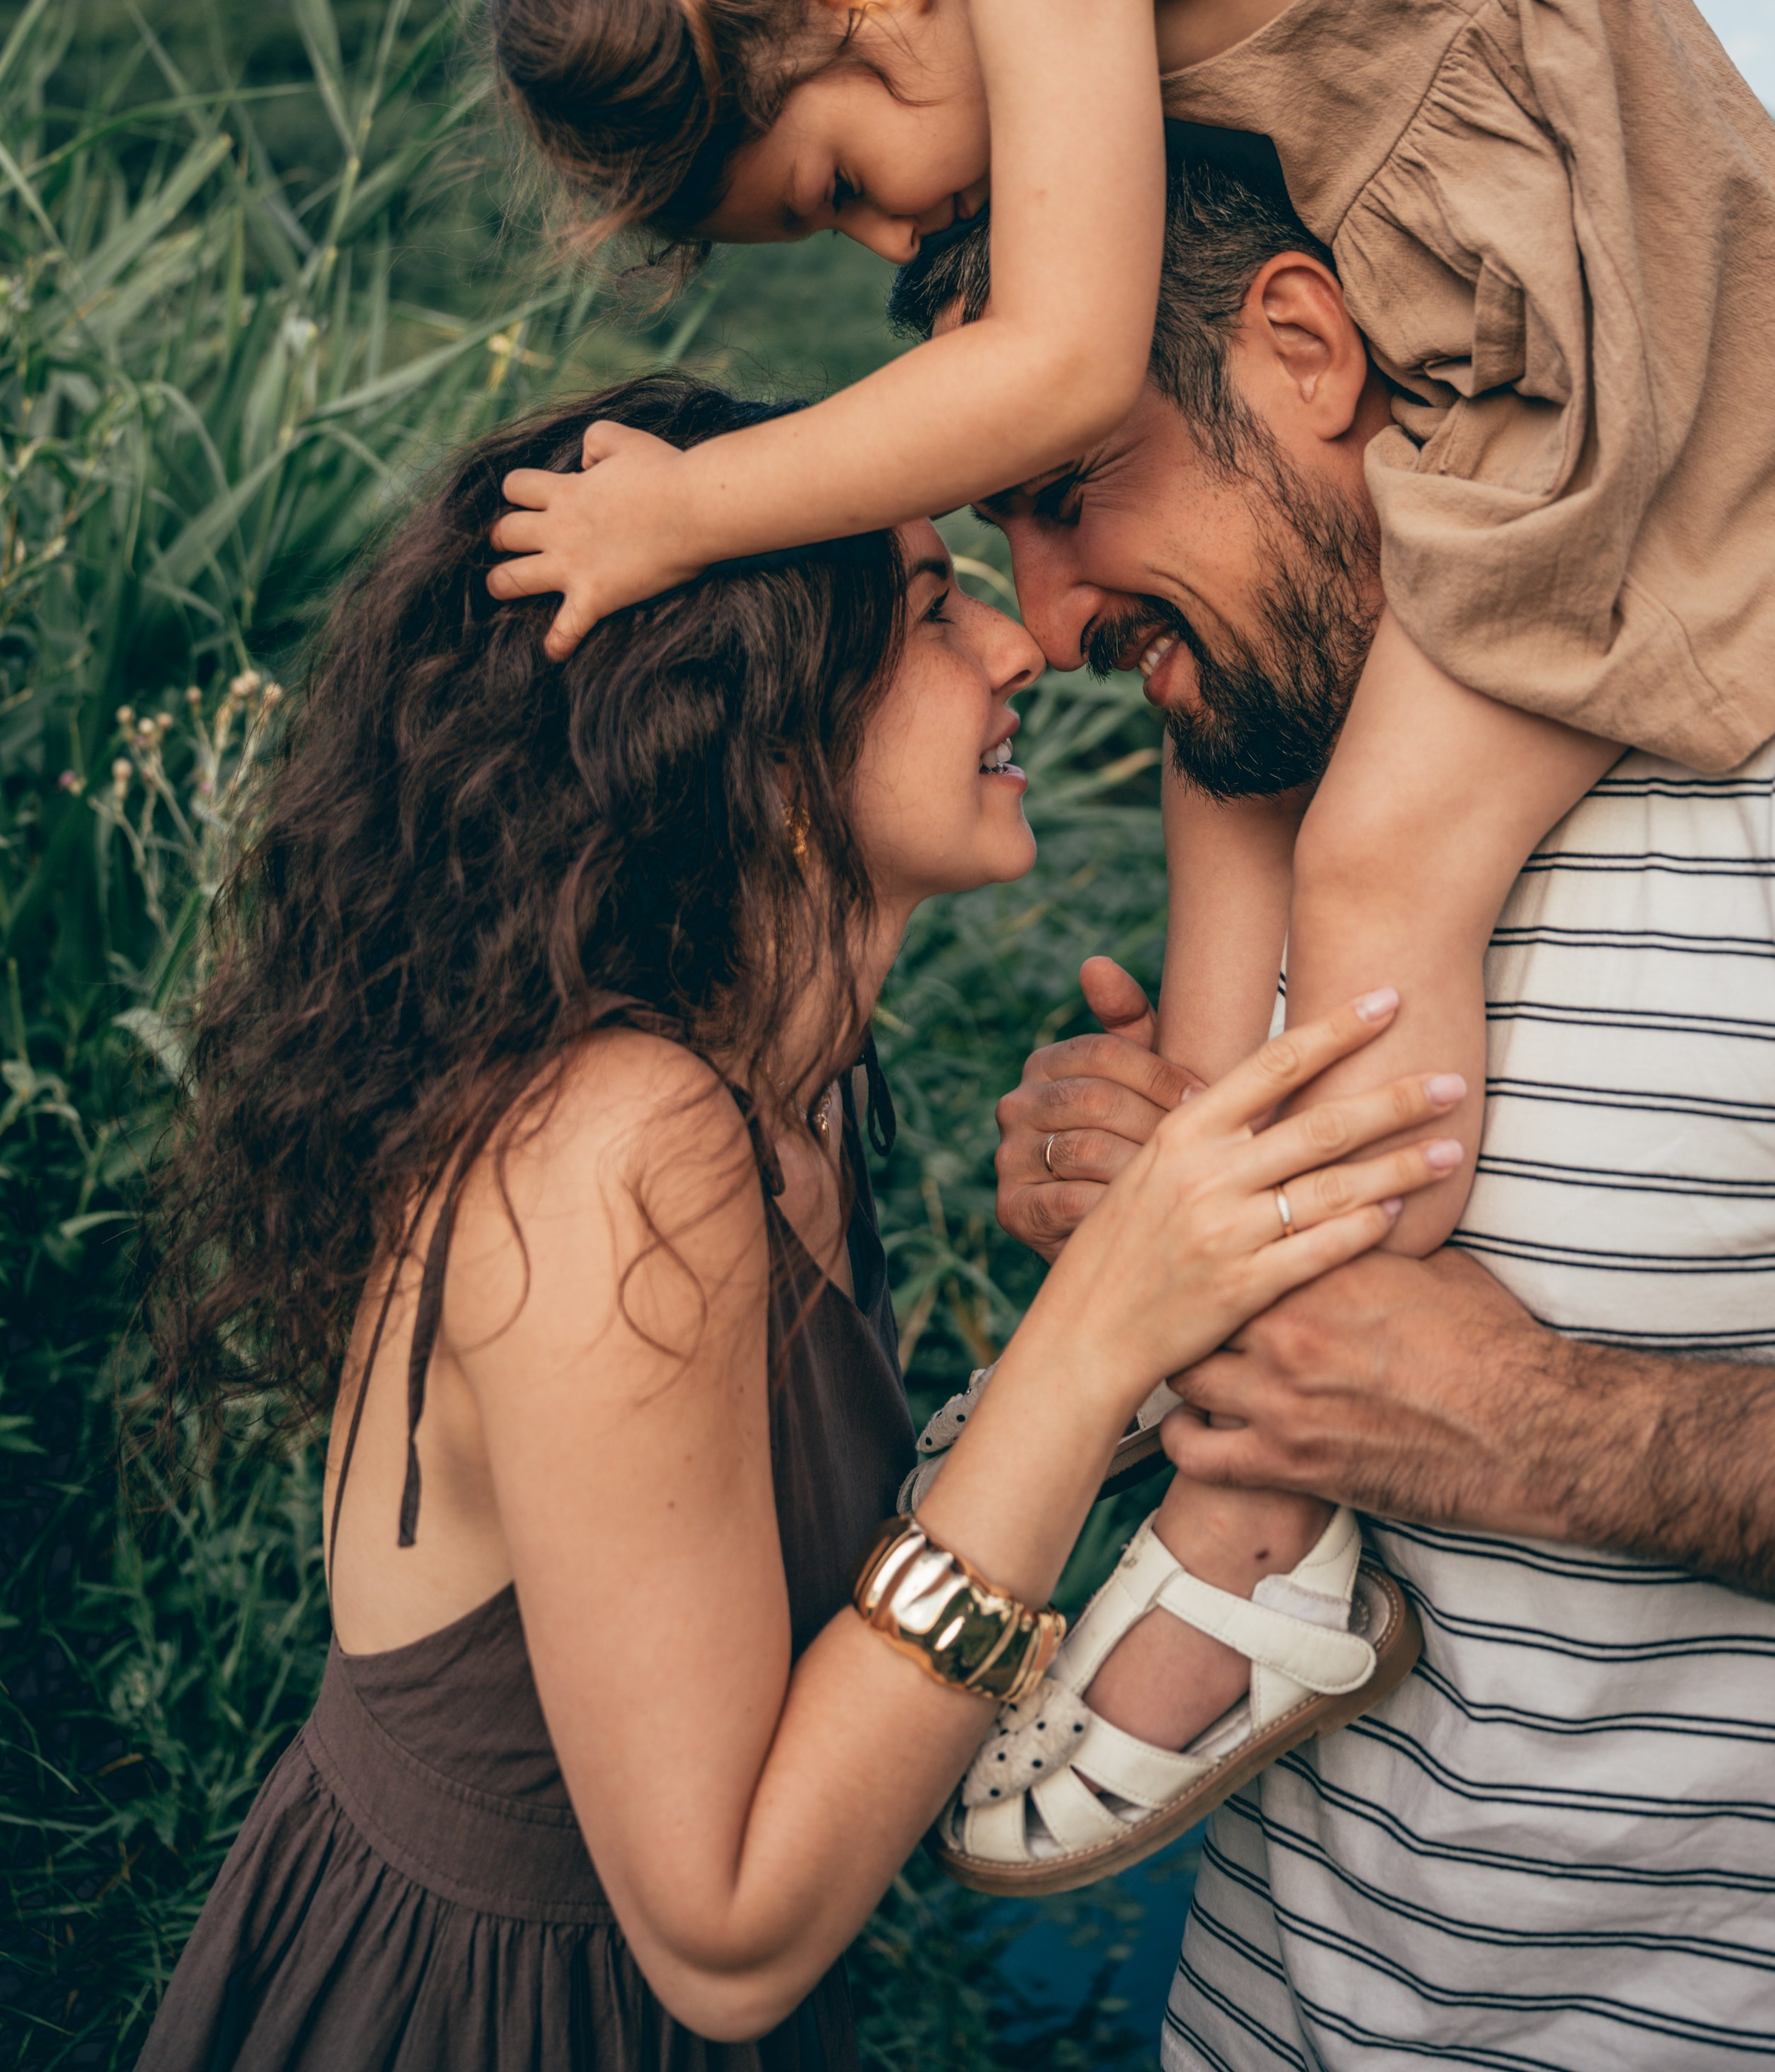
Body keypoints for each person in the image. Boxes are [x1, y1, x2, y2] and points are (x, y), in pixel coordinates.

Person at [479, 0, 1775, 1815]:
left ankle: (1261, 1530)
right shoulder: (1126, 10)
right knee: (1243, 826)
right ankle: (1223, 1303)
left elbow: (1068, 355)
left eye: (839, 185)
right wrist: (1159, 1193)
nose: (911, 220)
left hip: (1634, 380)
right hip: (1539, 368)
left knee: (1371, 877)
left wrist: (693, 509)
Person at [135, 368, 1452, 2072]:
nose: (1018, 650)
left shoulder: (789, 1088)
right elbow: (727, 1936)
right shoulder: (619, 1142)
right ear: (752, 739)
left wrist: (1156, 1254)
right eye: (926, 608)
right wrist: (1093, 1331)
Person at [893, 166, 1775, 2067]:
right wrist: (1139, 1240)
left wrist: (1554, 1431)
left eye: (1066, 492)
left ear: (1302, 346)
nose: (1037, 620)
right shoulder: (1302, 762)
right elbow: (1307, 1421)